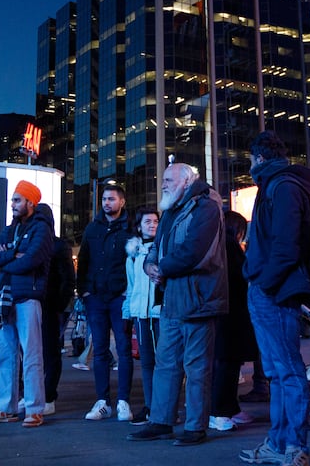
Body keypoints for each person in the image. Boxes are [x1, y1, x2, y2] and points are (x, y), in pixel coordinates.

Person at [127, 163, 227, 447]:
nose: (164, 184)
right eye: (163, 180)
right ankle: (161, 421)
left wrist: (162, 268)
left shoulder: (206, 207)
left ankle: (195, 427)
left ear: (186, 181)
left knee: (196, 366)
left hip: (198, 298)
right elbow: (157, 245)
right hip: (173, 297)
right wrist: (150, 265)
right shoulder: (171, 210)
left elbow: (196, 250)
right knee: (166, 362)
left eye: (169, 179)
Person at [237, 131, 310, 465]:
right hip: (269, 288)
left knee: (287, 369)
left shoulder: (282, 186)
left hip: (276, 291)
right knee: (277, 372)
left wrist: (263, 284)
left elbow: (286, 246)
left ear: (258, 158)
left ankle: (293, 446)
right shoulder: (275, 185)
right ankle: (278, 444)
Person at [0, 180, 54, 428]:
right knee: (5, 355)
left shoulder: (42, 229)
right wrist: (13, 252)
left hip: (28, 298)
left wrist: (5, 259)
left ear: (30, 203)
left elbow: (31, 260)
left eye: (17, 200)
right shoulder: (11, 230)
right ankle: (6, 407)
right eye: (12, 199)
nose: (12, 204)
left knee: (32, 354)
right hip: (4, 299)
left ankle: (34, 408)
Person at [78, 181, 135, 422]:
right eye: (104, 199)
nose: (107, 203)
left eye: (112, 199)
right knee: (99, 351)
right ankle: (103, 401)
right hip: (96, 299)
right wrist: (84, 291)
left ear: (122, 202)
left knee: (123, 350)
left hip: (120, 298)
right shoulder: (93, 228)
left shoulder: (130, 229)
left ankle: (123, 401)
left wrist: (127, 295)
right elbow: (84, 260)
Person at [209, 210, 257, 433]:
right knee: (226, 364)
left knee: (229, 364)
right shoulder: (228, 247)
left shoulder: (223, 245)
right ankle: (220, 411)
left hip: (229, 313)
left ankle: (229, 407)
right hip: (230, 314)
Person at [124, 209, 161, 425]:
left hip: (159, 312)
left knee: (164, 362)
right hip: (141, 313)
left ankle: (164, 406)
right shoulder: (134, 253)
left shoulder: (164, 248)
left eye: (156, 221)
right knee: (147, 362)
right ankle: (149, 405)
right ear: (139, 226)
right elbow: (131, 286)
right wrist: (127, 313)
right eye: (147, 221)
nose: (152, 225)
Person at [43, 228, 76, 415]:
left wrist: (60, 304)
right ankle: (36, 393)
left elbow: (68, 279)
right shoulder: (29, 241)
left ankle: (48, 395)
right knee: (32, 352)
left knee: (50, 351)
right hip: (33, 301)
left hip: (50, 305)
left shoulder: (58, 246)